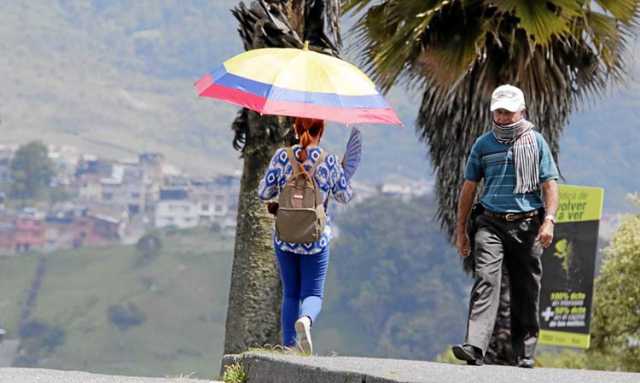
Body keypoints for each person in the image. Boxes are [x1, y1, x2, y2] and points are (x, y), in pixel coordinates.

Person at [452, 84, 559, 368]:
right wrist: (461, 229)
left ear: (521, 112)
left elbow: (550, 184)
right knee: (486, 279)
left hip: (527, 226)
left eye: (509, 112)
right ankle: (475, 347)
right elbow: (469, 187)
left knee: (527, 288)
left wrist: (548, 220)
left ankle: (524, 352)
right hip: (491, 224)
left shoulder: (536, 142)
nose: (503, 117)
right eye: (499, 112)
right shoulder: (483, 145)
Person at [258, 117, 354, 354]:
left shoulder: (282, 157)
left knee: (290, 293)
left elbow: (263, 192)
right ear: (321, 130)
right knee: (312, 293)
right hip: (315, 239)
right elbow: (345, 196)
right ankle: (307, 320)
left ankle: (289, 345)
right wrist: (340, 172)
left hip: (285, 237)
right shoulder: (328, 160)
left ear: (295, 128)